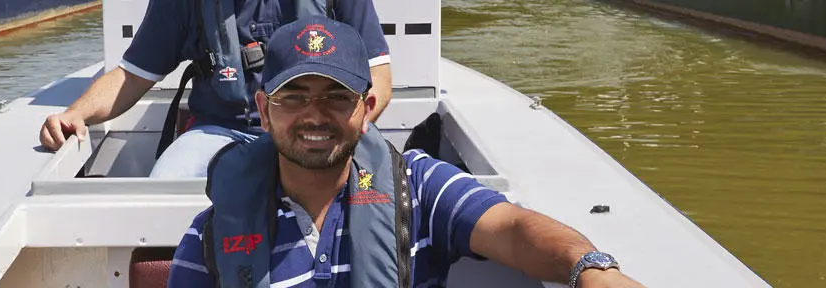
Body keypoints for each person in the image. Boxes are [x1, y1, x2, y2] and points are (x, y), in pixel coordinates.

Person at [169, 17, 645, 288]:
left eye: (336, 97)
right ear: (264, 111)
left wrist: (591, 269)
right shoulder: (210, 235)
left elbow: (515, 230)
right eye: (293, 98)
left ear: (367, 107)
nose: (315, 115)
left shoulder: (417, 188)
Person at [36, 0, 395, 178]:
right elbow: (131, 76)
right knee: (164, 184)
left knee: (371, 194)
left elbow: (379, 78)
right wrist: (75, 113)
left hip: (319, 129)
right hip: (221, 130)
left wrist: (342, 131)